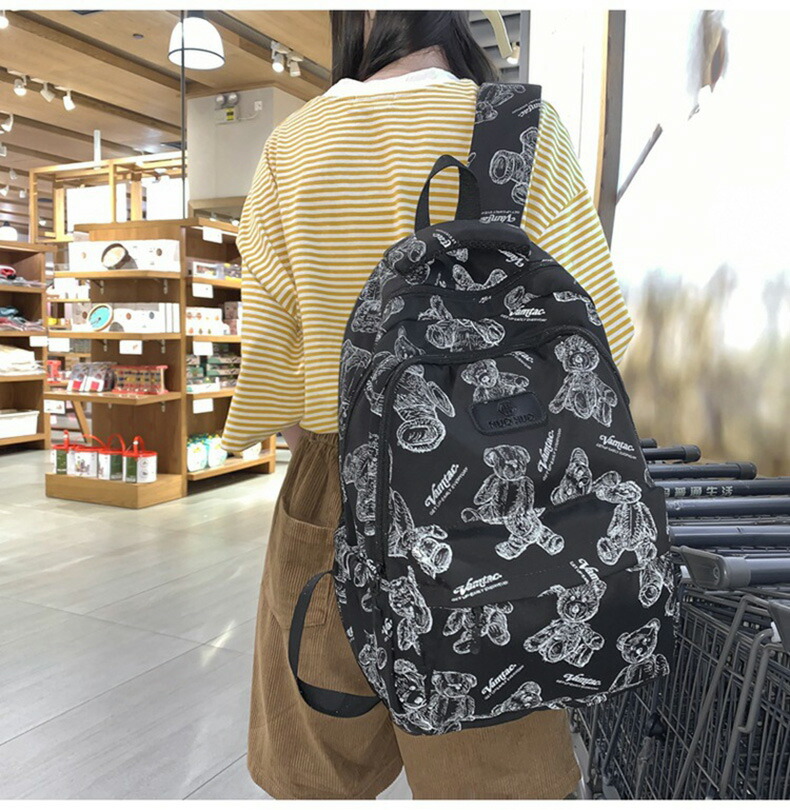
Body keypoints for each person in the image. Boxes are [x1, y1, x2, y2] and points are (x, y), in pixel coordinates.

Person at [222, 10, 633, 800]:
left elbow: (270, 375)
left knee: (322, 769)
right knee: (492, 776)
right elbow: (604, 335)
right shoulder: (525, 129)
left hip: (336, 481)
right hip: (498, 492)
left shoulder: (294, 144)